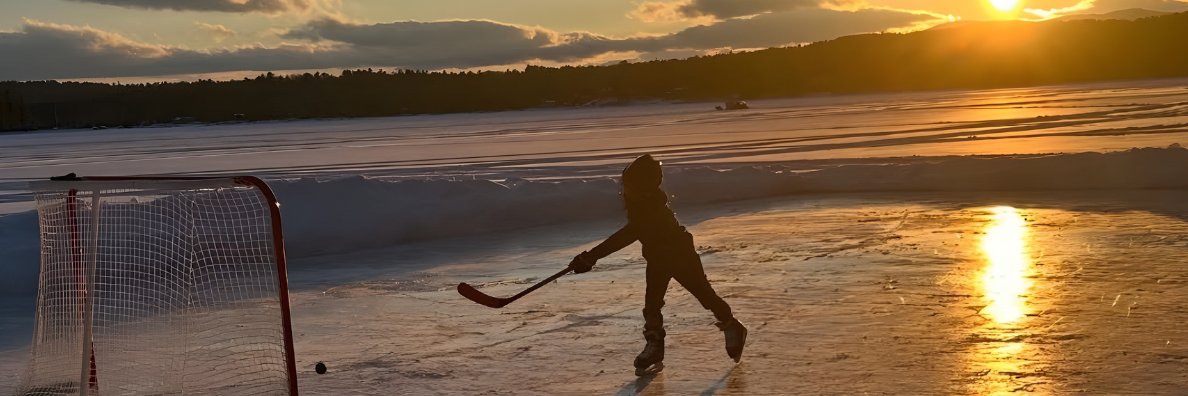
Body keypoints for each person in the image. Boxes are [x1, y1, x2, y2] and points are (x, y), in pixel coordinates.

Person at [568, 154, 746, 375]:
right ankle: (655, 347)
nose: (625, 190)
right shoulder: (639, 205)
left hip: (681, 256)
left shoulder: (651, 209)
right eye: (625, 184)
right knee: (652, 306)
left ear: (644, 187)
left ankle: (732, 325)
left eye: (630, 185)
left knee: (704, 296)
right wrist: (590, 257)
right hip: (658, 259)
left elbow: (629, 234)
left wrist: (591, 256)